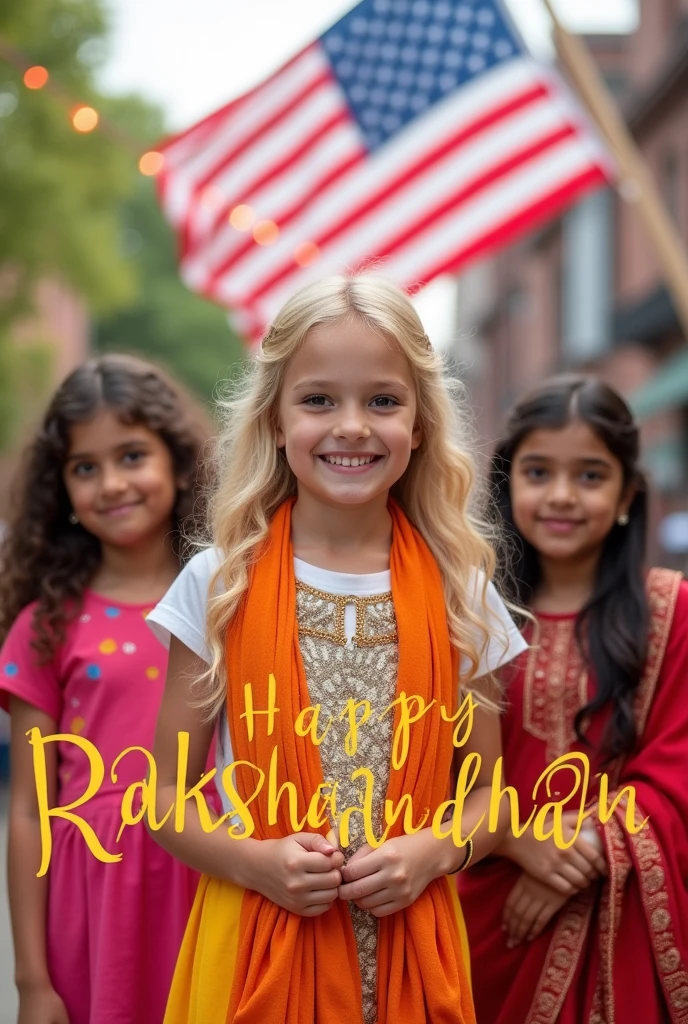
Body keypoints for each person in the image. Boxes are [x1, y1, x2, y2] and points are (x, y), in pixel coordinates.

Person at [145, 274, 527, 1024]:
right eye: (318, 400)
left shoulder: (463, 593)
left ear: (419, 425)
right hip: (254, 940)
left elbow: (489, 799)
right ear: (276, 422)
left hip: (413, 952)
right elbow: (163, 799)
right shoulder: (217, 582)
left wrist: (436, 851)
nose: (351, 426)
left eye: (383, 401)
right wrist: (254, 861)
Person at [458, 375, 688, 1024]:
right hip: (482, 908)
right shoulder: (465, 615)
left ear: (626, 495)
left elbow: (678, 774)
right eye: (538, 472)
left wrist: (583, 845)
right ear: (507, 483)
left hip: (619, 919)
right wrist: (516, 843)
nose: (561, 496)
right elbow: (423, 769)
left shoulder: (671, 613)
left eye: (590, 476)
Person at [0, 354, 213, 1024]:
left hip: (214, 877)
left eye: (131, 456)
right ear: (59, 489)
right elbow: (31, 812)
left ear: (178, 464)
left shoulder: (230, 601)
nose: (111, 483)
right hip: (93, 903)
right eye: (84, 467)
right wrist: (32, 983)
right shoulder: (46, 627)